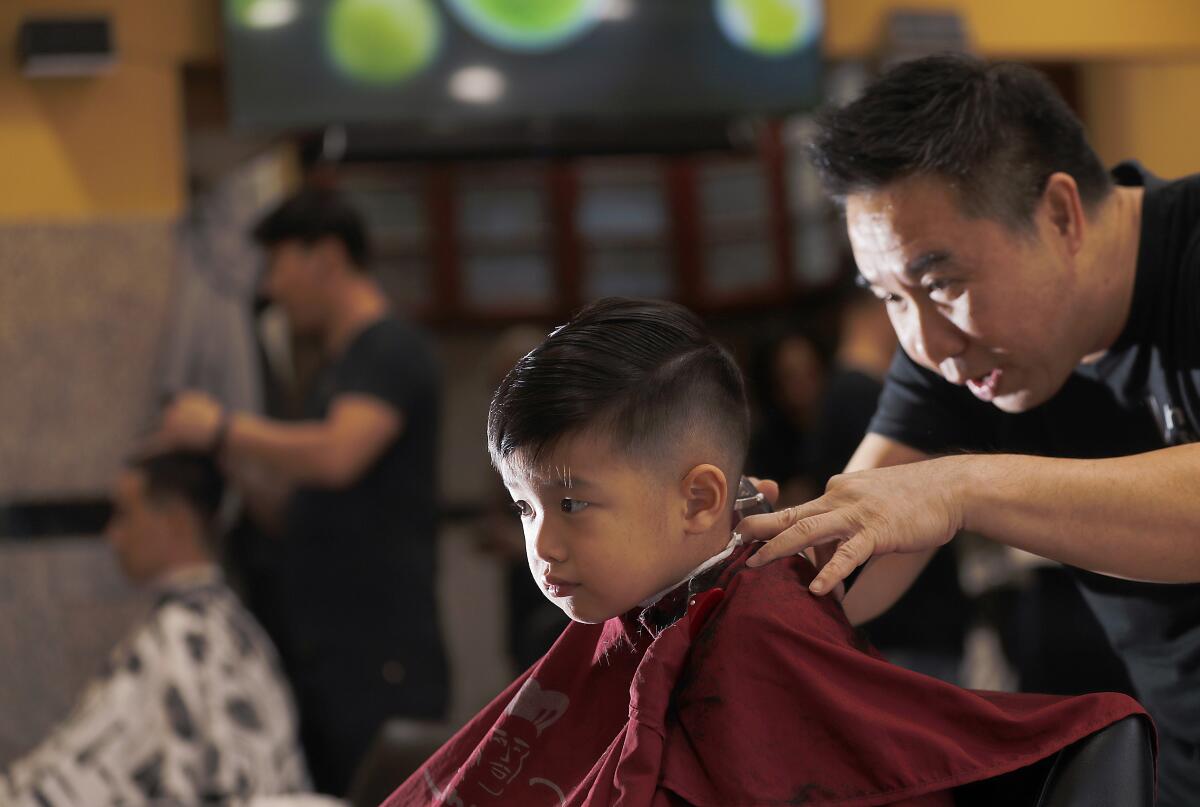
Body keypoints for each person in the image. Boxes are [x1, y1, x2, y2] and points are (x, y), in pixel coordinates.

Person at [382, 298, 1145, 807]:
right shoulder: (649, 610)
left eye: (573, 503)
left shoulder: (757, 628)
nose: (541, 543)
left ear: (702, 500)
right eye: (524, 507)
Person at [738, 53, 1200, 805]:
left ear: (1059, 214)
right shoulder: (957, 351)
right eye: (888, 297)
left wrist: (960, 485)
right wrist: (715, 571)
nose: (924, 344)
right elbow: (846, 549)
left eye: (942, 283)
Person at [154, 188, 449, 796]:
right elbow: (294, 511)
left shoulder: (389, 349)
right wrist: (222, 453)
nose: (271, 288)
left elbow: (338, 456)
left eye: (278, 265)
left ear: (326, 257)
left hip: (380, 654)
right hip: (324, 652)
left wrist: (224, 427)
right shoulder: (334, 372)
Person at [0, 452, 309, 806]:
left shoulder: (186, 638)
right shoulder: (230, 627)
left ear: (176, 522)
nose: (113, 535)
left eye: (125, 515)